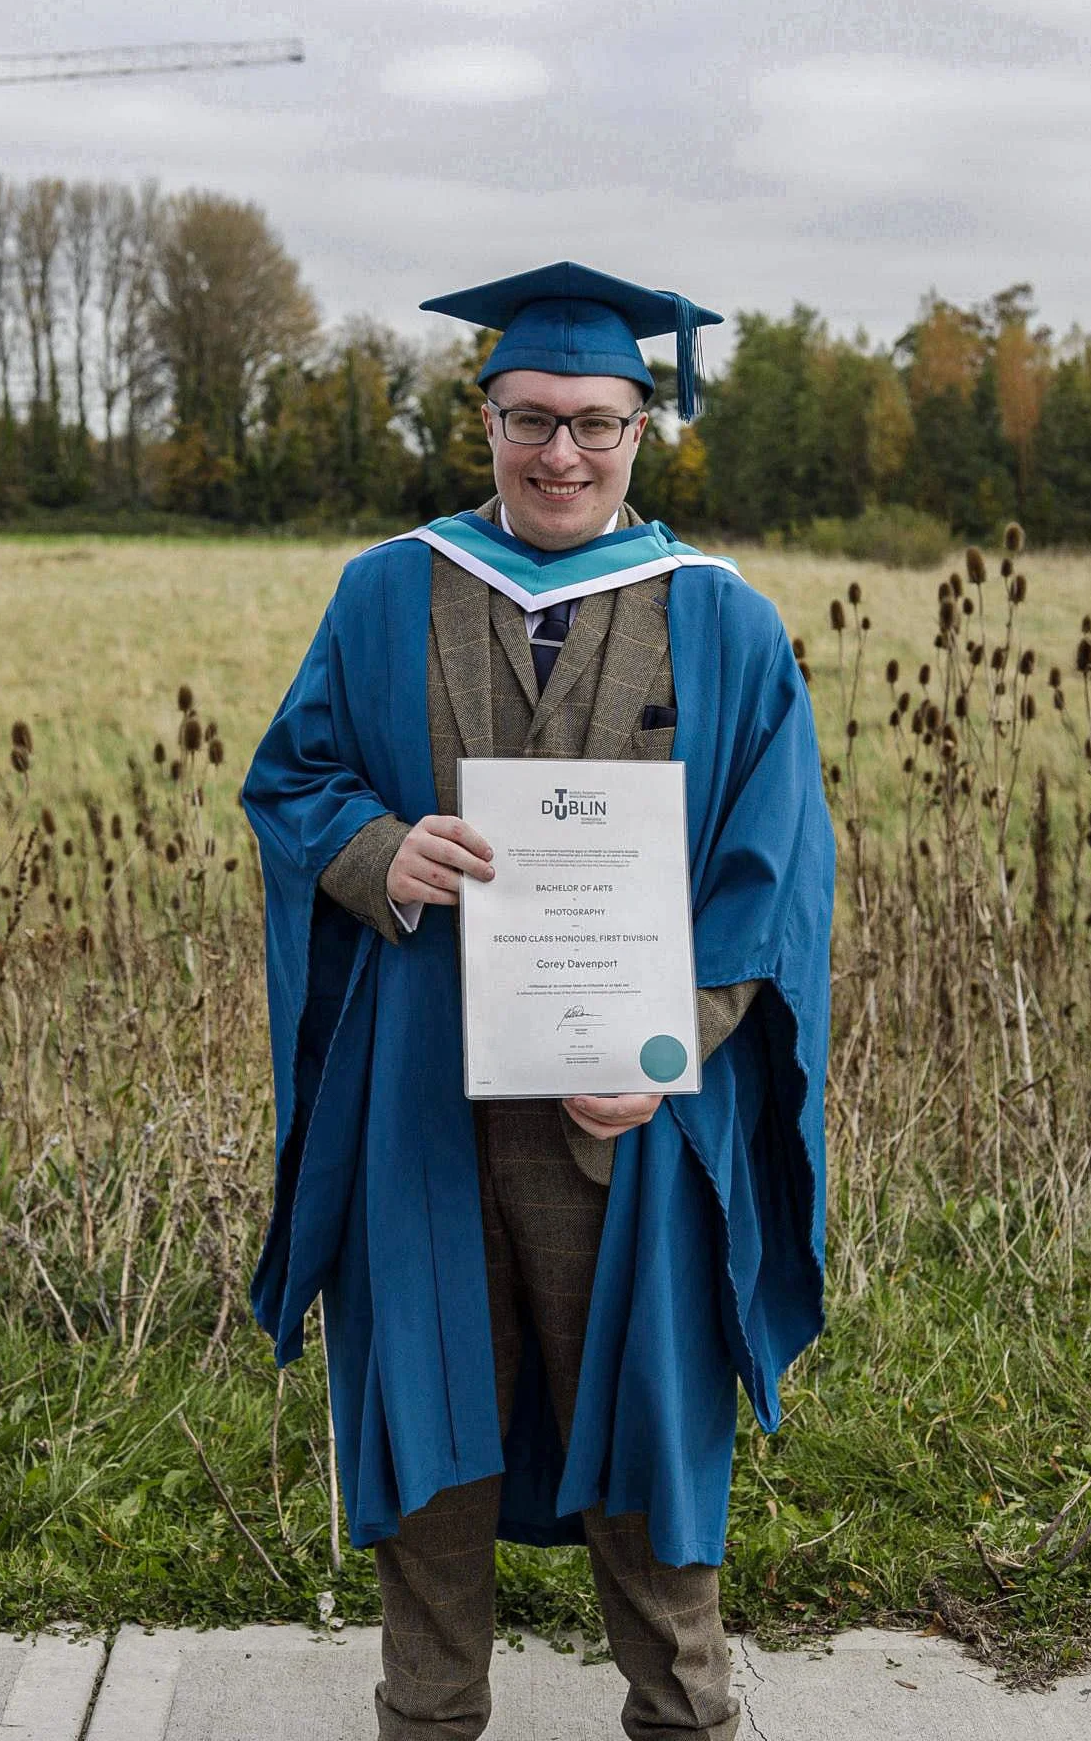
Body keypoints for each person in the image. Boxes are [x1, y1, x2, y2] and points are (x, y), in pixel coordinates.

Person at [243, 262, 835, 1741]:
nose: (558, 453)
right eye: (528, 420)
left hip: (626, 1121)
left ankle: (687, 1716)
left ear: (646, 429)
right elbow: (292, 779)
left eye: (593, 423)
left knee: (648, 1421)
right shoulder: (387, 591)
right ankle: (428, 1720)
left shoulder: (727, 623)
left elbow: (772, 872)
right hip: (421, 1104)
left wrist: (676, 1042)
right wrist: (382, 848)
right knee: (428, 1436)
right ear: (486, 418)